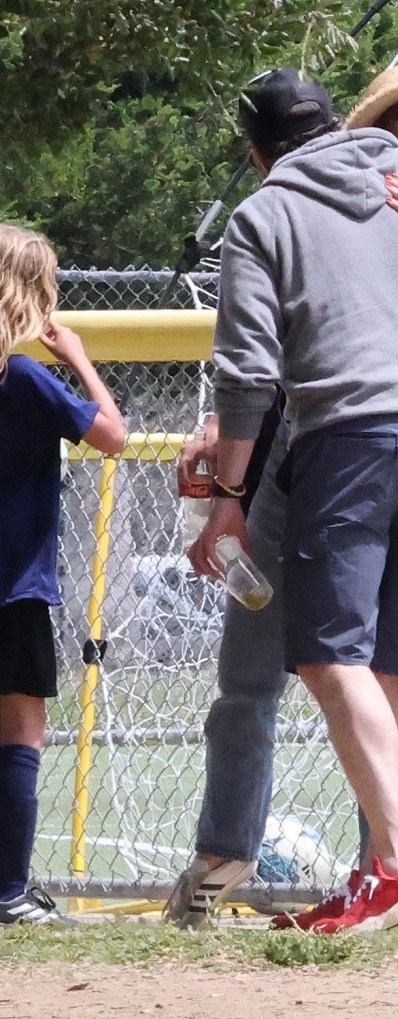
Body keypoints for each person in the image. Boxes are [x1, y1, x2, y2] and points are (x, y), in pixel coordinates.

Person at [163, 65, 398, 932]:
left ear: (258, 153)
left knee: (328, 657)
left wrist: (227, 494)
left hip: (346, 442)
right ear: (342, 120)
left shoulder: (264, 213)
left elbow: (249, 371)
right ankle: (385, 868)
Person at [0, 224, 126, 925]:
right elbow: (114, 434)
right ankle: (10, 890)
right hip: (12, 585)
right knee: (21, 728)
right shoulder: (25, 377)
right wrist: (78, 358)